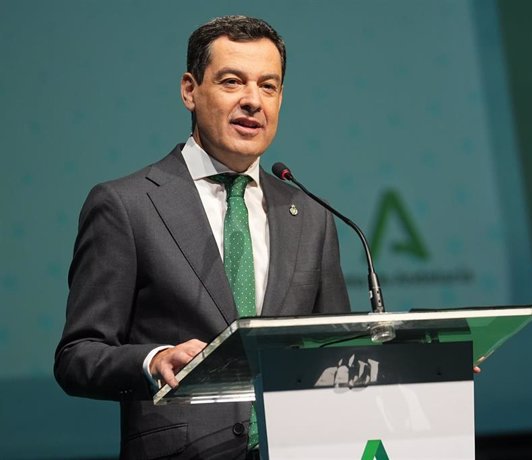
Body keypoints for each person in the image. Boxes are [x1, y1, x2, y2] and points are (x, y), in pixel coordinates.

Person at [54, 15, 350, 459]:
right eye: (233, 82)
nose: (253, 101)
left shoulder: (310, 214)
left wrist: (419, 368)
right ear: (190, 91)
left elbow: (336, 347)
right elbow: (78, 356)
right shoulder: (126, 205)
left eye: (268, 86)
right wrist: (152, 361)